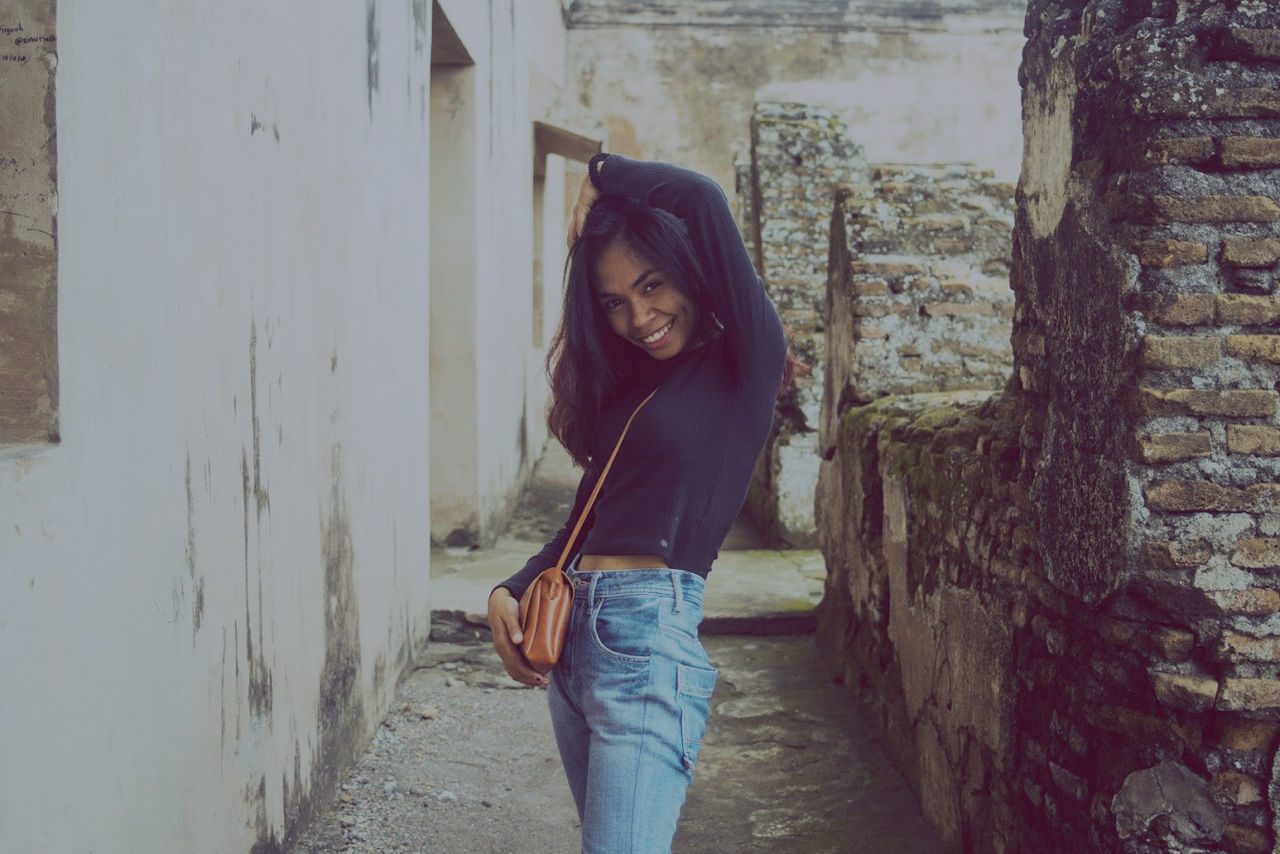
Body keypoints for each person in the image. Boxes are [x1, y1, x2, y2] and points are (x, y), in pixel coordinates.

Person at [487, 153, 789, 853]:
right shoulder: (633, 391)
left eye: (651, 287)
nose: (639, 316)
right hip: (571, 645)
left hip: (648, 635)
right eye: (614, 302)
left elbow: (704, 199)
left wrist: (601, 171)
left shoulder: (746, 362)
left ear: (687, 273)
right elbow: (588, 519)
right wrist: (512, 587)